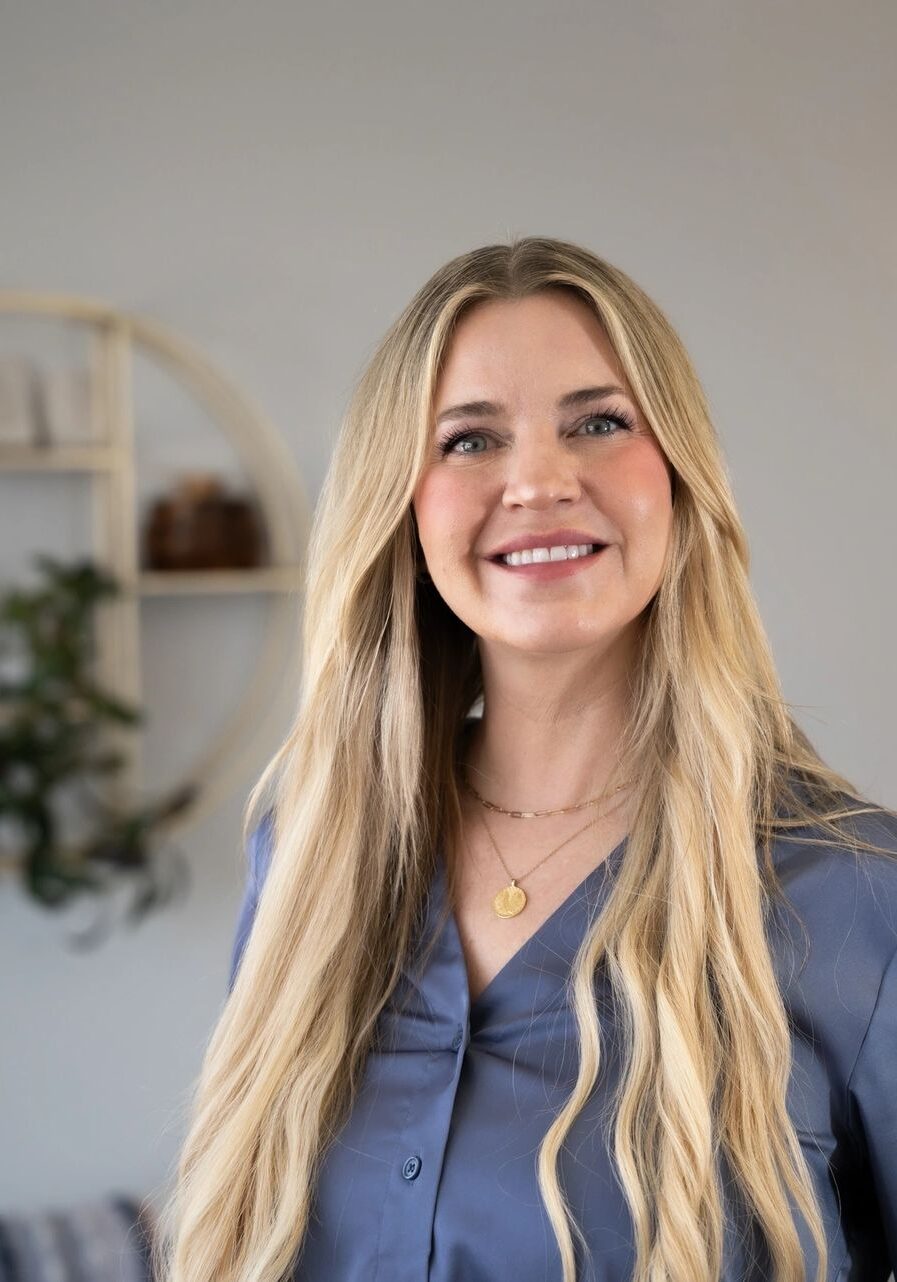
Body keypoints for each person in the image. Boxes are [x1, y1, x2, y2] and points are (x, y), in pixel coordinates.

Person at [153, 238, 897, 1282]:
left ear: (679, 477)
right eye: (468, 440)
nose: (539, 480)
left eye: (599, 423)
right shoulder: (307, 854)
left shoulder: (856, 893)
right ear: (403, 508)